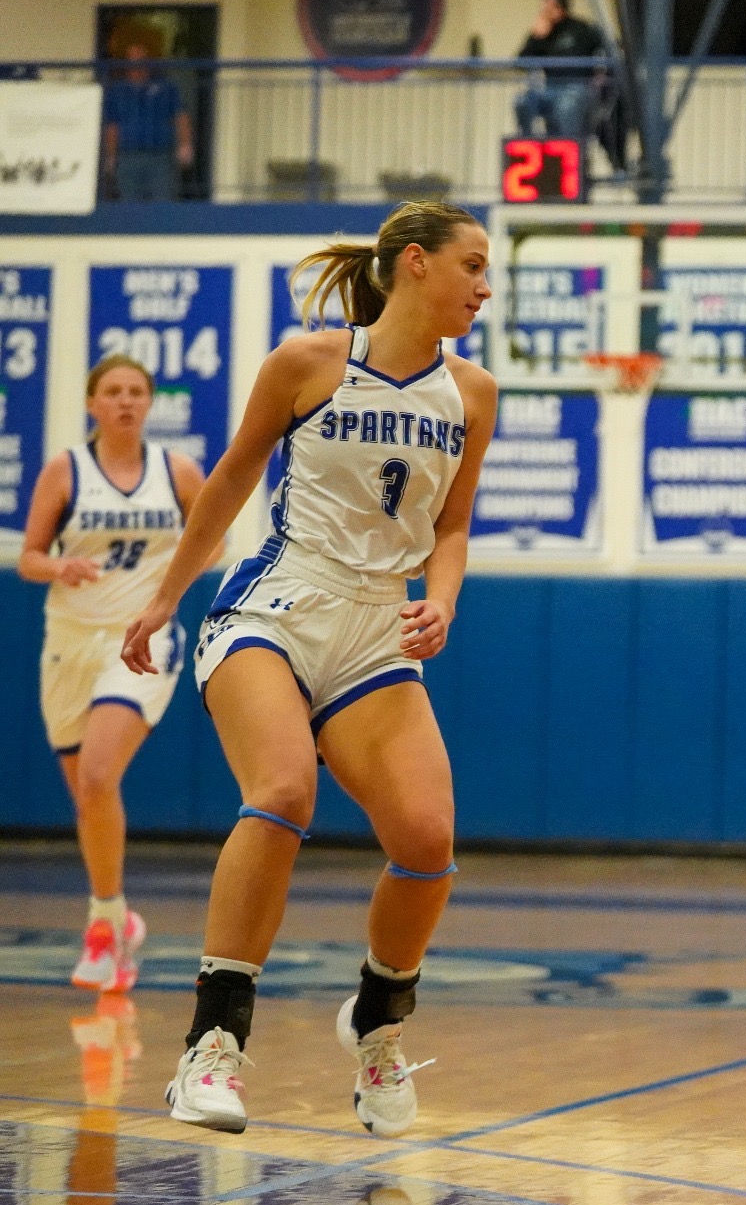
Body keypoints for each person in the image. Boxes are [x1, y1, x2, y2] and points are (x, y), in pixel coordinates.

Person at [122, 200, 498, 1137]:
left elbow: (452, 526)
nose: (485, 288)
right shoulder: (308, 363)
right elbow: (230, 480)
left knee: (427, 840)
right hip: (278, 604)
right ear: (416, 263)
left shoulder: (473, 393)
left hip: (379, 626)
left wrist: (444, 598)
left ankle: (377, 1020)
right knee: (284, 788)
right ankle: (212, 1045)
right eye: (473, 265)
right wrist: (165, 597)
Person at [18, 356, 210, 994]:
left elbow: (212, 534)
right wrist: (59, 567)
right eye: (113, 391)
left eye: (136, 392)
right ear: (92, 403)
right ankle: (118, 915)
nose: (126, 401)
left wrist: (170, 585)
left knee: (100, 775)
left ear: (150, 403)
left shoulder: (177, 472)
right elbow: (29, 557)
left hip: (139, 642)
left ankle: (103, 928)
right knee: (89, 798)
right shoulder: (65, 470)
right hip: (69, 643)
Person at [101, 43, 193, 203]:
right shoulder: (116, 91)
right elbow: (112, 126)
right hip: (128, 157)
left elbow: (181, 117)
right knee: (130, 208)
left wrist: (185, 146)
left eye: (141, 60)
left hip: (160, 157)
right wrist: (110, 156)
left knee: (162, 206)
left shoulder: (166, 88)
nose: (137, 65)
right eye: (132, 60)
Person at [515, 0, 605, 141]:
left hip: (577, 87)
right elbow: (521, 63)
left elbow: (607, 48)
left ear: (561, 8)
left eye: (550, 7)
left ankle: (568, 146)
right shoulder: (543, 31)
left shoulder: (581, 28)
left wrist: (601, 74)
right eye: (544, 7)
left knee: (566, 106)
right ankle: (528, 143)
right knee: (522, 101)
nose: (546, 11)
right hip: (550, 87)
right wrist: (536, 38)